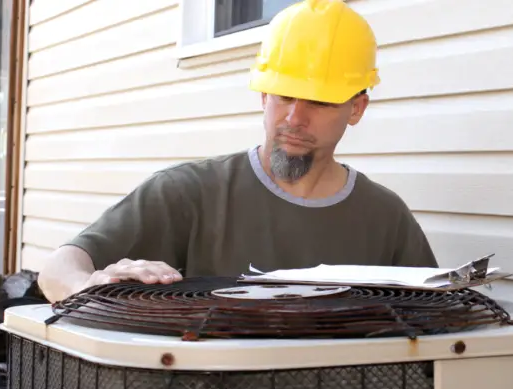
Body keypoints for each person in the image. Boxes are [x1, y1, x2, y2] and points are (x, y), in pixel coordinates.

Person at [37, 0, 438, 303]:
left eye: (319, 102)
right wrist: (88, 286)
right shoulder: (189, 193)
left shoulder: (385, 218)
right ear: (263, 95)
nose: (294, 118)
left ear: (356, 109)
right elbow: (57, 270)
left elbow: (436, 320)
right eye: (284, 95)